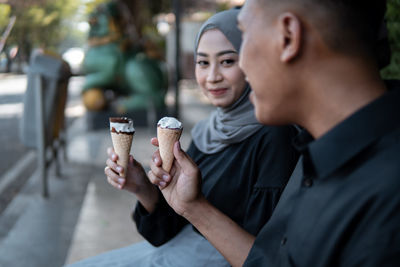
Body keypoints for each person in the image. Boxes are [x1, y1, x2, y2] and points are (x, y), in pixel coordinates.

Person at [148, 0, 400, 266]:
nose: (239, 67)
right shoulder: (319, 149)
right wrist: (192, 207)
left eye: (244, 38)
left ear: (288, 36)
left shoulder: (387, 196)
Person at [68, 9, 299, 267]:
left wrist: (195, 207)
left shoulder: (277, 137)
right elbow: (169, 230)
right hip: (181, 249)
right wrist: (143, 188)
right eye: (203, 62)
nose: (212, 77)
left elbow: (265, 256)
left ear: (252, 61)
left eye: (227, 61)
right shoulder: (206, 131)